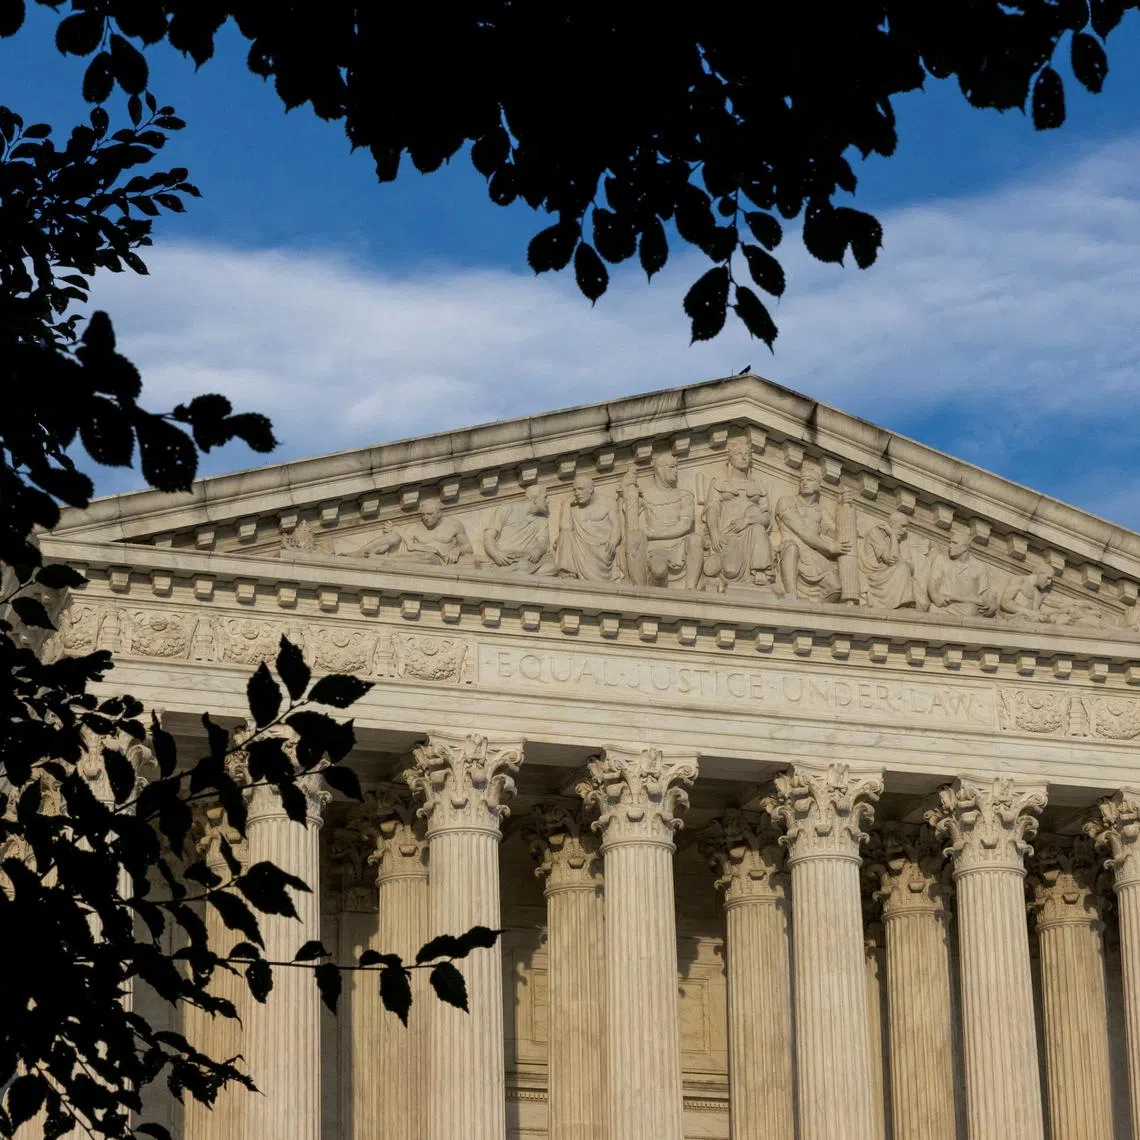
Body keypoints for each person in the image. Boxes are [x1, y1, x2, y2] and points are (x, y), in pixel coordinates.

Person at [621, 454, 703, 589]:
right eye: (671, 467)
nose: (676, 471)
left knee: (696, 539)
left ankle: (691, 589)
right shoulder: (644, 496)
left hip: (679, 544)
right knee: (658, 569)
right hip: (654, 548)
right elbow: (630, 524)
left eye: (676, 467)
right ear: (659, 469)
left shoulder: (685, 495)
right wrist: (627, 490)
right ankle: (640, 589)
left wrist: (653, 534)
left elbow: (685, 525)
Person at [703, 438, 774, 589]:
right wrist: (714, 533)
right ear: (730, 458)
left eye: (747, 454)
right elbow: (712, 508)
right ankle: (720, 561)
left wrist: (748, 520)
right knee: (730, 570)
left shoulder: (759, 486)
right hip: (728, 534)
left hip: (753, 534)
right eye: (738, 454)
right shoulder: (719, 483)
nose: (743, 457)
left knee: (757, 526)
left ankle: (760, 569)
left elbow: (767, 518)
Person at [774, 467, 848, 602]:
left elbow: (837, 534)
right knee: (791, 547)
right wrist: (829, 547)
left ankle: (814, 616)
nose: (804, 483)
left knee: (836, 588)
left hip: (813, 555)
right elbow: (801, 530)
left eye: (810, 480)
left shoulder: (820, 510)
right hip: (792, 551)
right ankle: (791, 597)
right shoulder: (787, 501)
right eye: (802, 480)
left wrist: (844, 507)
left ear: (819, 485)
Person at [356, 499, 474, 566]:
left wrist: (456, 550)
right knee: (394, 537)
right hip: (412, 554)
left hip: (436, 559)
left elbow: (468, 547)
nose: (426, 518)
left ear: (439, 514)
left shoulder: (454, 525)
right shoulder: (415, 528)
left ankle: (386, 560)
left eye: (430, 514)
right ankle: (359, 554)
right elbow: (408, 543)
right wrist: (395, 530)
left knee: (429, 558)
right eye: (423, 515)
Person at [555, 475, 621, 581]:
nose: (576, 493)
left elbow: (616, 526)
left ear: (591, 489)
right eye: (574, 490)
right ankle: (568, 573)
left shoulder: (608, 503)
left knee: (605, 554)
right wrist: (566, 504)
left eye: (580, 489)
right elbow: (565, 528)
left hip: (601, 548)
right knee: (565, 534)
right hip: (579, 547)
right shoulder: (573, 508)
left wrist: (613, 541)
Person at [482, 485, 556, 574]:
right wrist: (495, 554)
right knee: (522, 570)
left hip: (529, 560)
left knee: (551, 568)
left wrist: (538, 550)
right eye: (545, 497)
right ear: (535, 499)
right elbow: (488, 536)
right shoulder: (506, 509)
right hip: (507, 560)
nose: (548, 501)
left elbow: (542, 542)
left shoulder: (542, 520)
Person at [928, 530, 997, 617]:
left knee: (970, 611)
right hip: (944, 606)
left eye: (954, 543)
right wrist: (934, 596)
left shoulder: (979, 567)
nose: (950, 546)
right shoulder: (941, 560)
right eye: (950, 543)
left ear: (965, 547)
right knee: (933, 609)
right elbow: (933, 581)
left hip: (968, 607)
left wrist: (992, 605)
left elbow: (985, 592)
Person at [858, 511, 915, 609]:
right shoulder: (875, 532)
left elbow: (909, 567)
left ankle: (902, 604)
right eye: (902, 526)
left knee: (904, 569)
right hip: (874, 576)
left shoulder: (896, 540)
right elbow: (891, 560)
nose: (905, 531)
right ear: (892, 524)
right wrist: (893, 535)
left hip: (885, 574)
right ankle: (901, 604)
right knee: (903, 568)